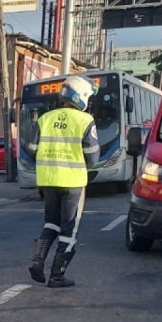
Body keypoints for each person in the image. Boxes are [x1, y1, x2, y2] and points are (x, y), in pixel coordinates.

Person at [24, 75, 100, 288]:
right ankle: (57, 275)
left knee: (50, 223)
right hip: (73, 182)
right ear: (82, 96)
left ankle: (37, 262)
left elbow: (31, 150)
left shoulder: (45, 118)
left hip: (48, 180)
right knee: (69, 228)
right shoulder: (85, 120)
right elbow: (93, 156)